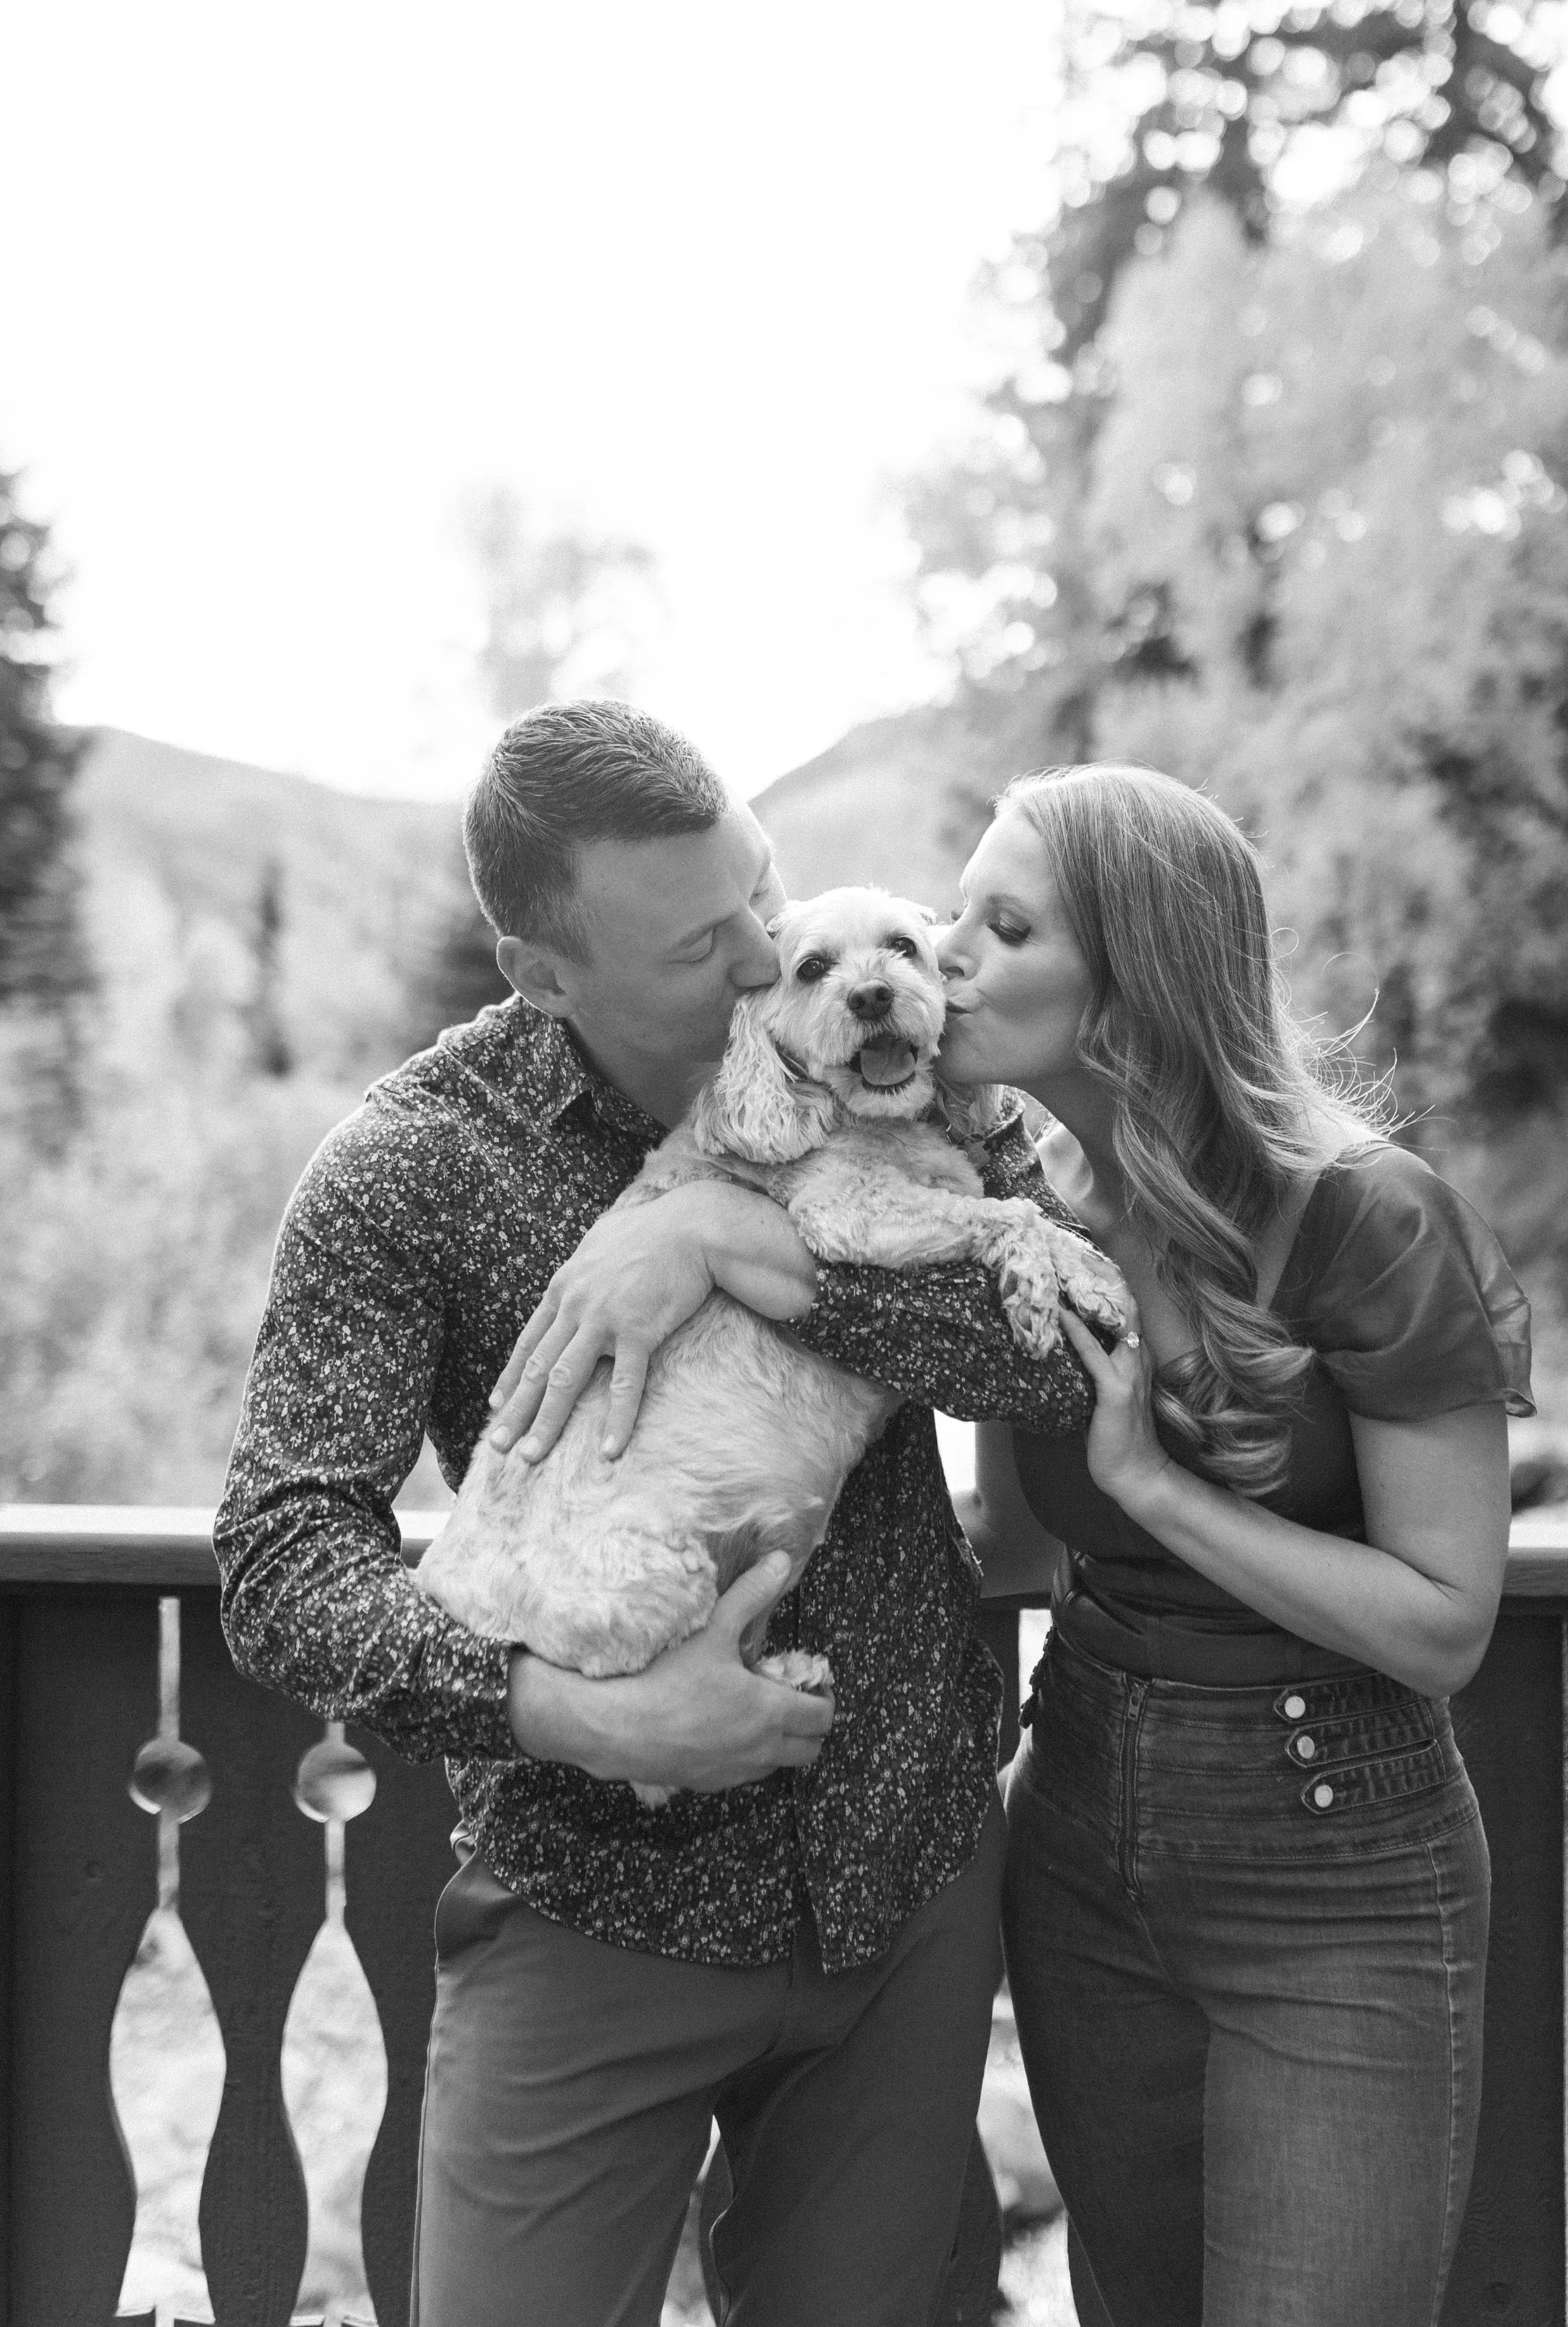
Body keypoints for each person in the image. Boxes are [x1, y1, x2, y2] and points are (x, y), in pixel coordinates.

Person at [214, 700, 1096, 2327]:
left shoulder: (902, 1062)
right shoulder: (409, 1167)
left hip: (897, 1892)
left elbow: (1049, 1363)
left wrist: (727, 1243)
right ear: (542, 974)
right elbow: (282, 1556)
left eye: (762, 896)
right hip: (588, 1910)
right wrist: (561, 1713)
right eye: (709, 948)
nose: (772, 965)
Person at [934, 763, 1531, 2327]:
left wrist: (1156, 1485)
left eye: (1000, 928)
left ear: (1131, 983)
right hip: (1072, 1823)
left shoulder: (1366, 1220)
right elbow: (1003, 1540)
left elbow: (1442, 1621)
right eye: (954, 914)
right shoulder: (1022, 1209)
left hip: (1331, 1860)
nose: (945, 957)